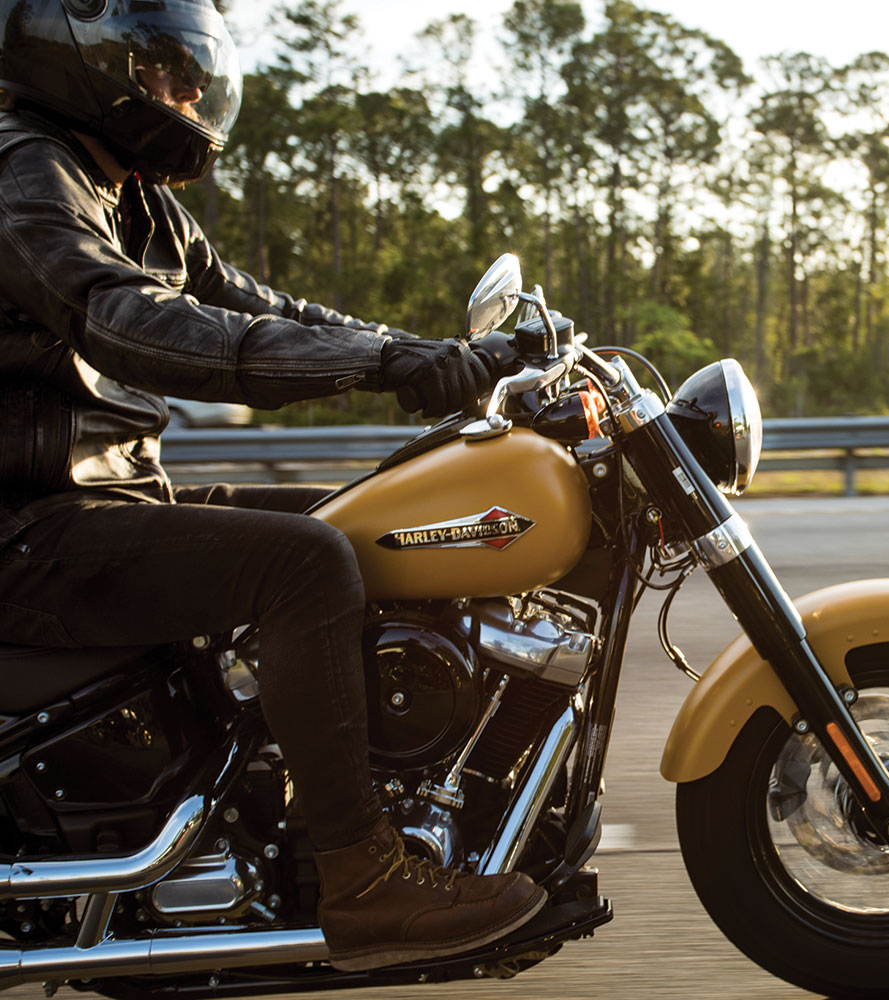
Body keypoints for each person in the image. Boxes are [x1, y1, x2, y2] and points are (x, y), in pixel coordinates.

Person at [0, 0, 545, 973]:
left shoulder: (134, 199)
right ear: (88, 55)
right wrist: (387, 364)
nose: (195, 89)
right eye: (169, 65)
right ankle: (363, 875)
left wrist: (436, 354)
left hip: (105, 506)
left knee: (376, 531)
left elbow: (263, 307)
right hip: (29, 529)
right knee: (304, 565)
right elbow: (124, 319)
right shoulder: (25, 169)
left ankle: (379, 799)